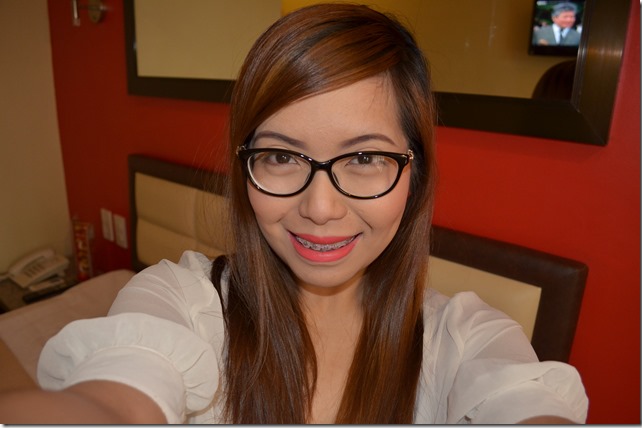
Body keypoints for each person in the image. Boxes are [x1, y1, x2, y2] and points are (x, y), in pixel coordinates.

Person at [0, 3, 588, 424]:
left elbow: (522, 404)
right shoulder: (182, 303)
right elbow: (116, 397)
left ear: (414, 174)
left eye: (364, 157)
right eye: (281, 156)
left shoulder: (466, 341)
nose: (320, 208)